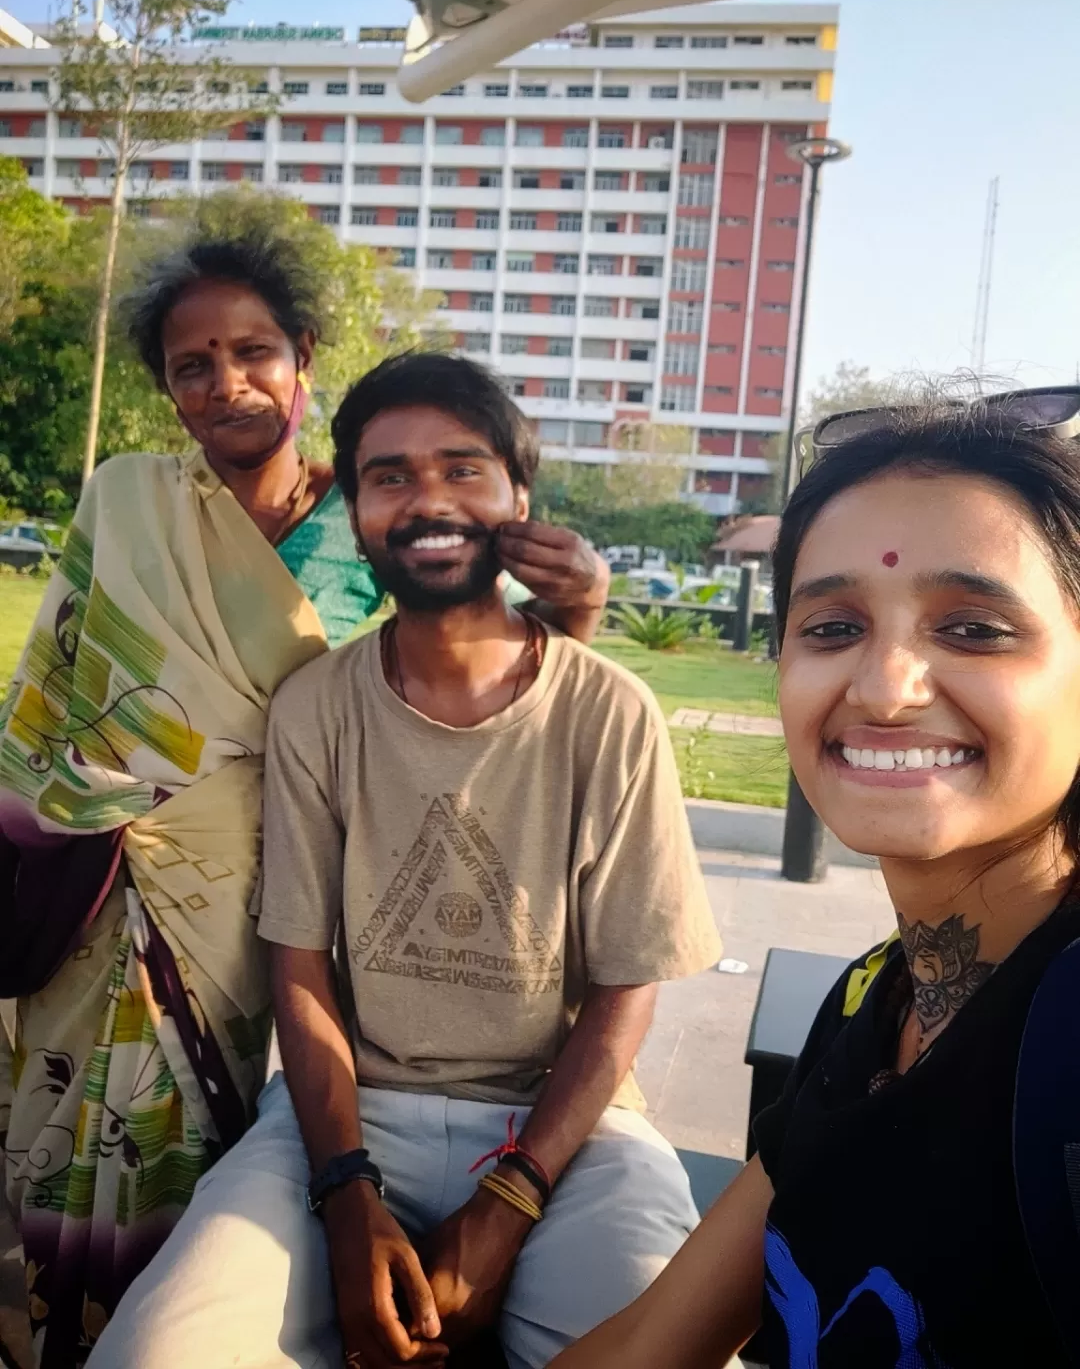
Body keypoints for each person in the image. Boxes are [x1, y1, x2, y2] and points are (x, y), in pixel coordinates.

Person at [0, 233, 609, 1368]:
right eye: (191, 364)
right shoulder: (128, 500)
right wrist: (59, 810)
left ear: (303, 360)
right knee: (57, 1128)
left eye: (252, 351)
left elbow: (489, 677)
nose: (223, 381)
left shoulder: (377, 521)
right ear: (167, 391)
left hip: (247, 900)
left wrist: (582, 609)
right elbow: (49, 685)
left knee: (188, 1144)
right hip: (88, 879)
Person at [86, 351, 723, 1369]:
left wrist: (509, 1199)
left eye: (464, 469)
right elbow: (299, 969)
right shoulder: (317, 707)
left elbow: (622, 994)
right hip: (345, 1115)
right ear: (359, 514)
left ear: (521, 496)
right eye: (390, 476)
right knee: (154, 1353)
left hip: (567, 1130)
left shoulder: (611, 712)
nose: (428, 499)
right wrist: (344, 1191)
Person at [548, 388, 1080, 1369]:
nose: (882, 690)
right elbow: (651, 1347)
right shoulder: (874, 1005)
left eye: (972, 629)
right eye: (832, 627)